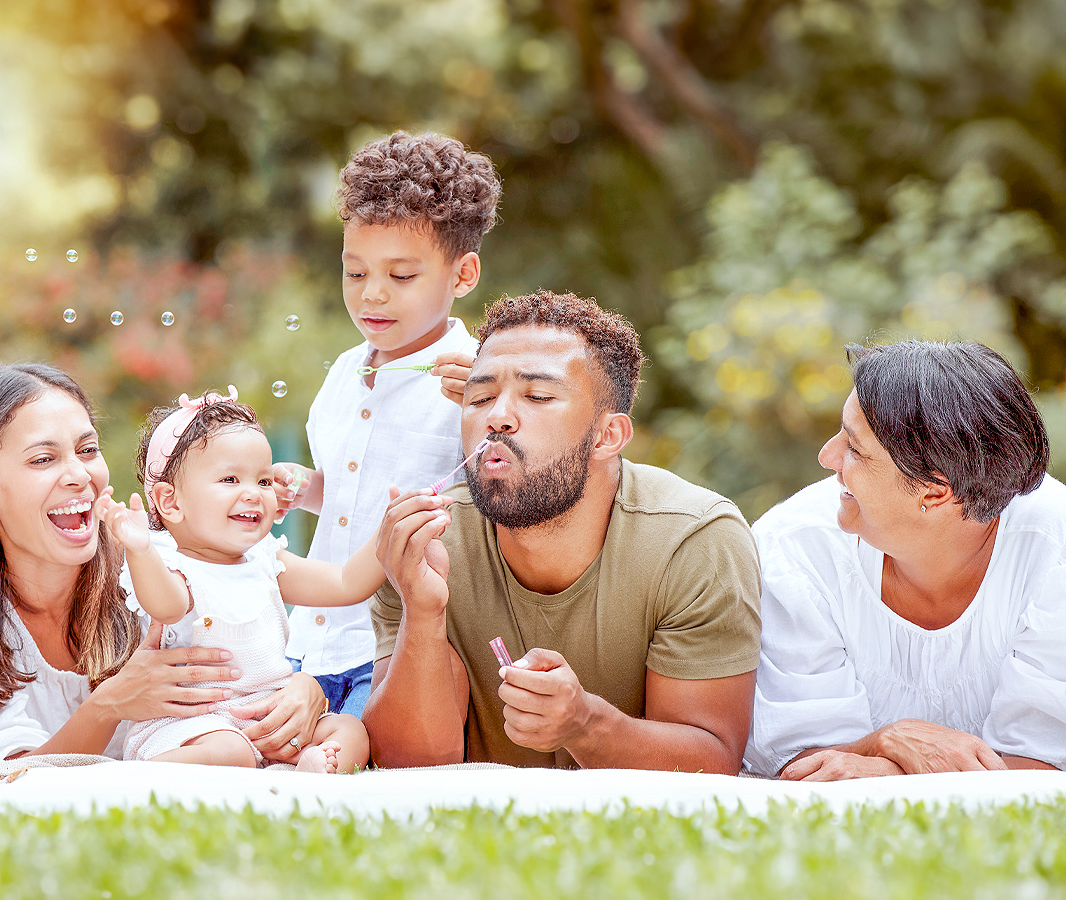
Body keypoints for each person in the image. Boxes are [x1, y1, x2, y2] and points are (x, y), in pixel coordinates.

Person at [364, 290, 762, 772]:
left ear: (607, 436)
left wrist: (584, 723)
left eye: (538, 396)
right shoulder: (425, 545)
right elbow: (403, 765)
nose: (497, 417)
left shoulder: (694, 540)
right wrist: (422, 610)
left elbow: (712, 759)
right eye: (480, 397)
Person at [0, 364, 330, 766]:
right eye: (44, 459)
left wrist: (305, 687)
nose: (79, 474)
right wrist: (109, 704)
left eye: (87, 450)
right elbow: (14, 776)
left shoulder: (155, 565)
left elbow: (250, 661)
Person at [744, 341, 1066, 779]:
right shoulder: (794, 549)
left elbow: (1042, 767)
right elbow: (801, 762)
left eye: (854, 449)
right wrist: (887, 738)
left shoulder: (1054, 553)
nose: (827, 457)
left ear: (935, 491)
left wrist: (886, 772)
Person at [277, 131, 499, 719]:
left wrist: (485, 412)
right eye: (355, 274)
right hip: (310, 641)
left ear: (463, 274)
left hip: (399, 646)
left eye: (402, 276)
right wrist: (304, 488)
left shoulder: (479, 381)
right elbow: (357, 493)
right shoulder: (345, 373)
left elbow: (495, 497)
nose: (372, 294)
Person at [103, 389, 432, 773]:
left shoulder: (265, 560)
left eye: (262, 480)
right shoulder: (172, 566)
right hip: (193, 726)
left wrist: (389, 527)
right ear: (171, 502)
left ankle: (315, 770)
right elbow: (166, 605)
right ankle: (150, 775)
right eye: (230, 479)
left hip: (270, 721)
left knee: (349, 728)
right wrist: (139, 551)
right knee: (231, 753)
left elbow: (345, 583)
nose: (253, 494)